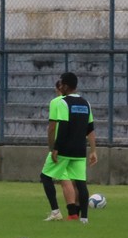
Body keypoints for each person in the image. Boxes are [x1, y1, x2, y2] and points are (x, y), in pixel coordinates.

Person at [41, 72, 97, 223]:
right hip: (80, 150)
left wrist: (55, 148)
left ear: (65, 86)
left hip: (64, 149)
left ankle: (55, 211)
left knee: (45, 176)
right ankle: (84, 218)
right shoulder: (86, 103)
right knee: (80, 182)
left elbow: (61, 126)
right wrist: (93, 150)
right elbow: (90, 128)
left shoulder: (62, 102)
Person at [42, 80, 78, 221]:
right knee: (66, 178)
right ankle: (73, 213)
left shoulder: (57, 102)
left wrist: (52, 148)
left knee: (45, 176)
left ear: (60, 89)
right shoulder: (76, 102)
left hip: (59, 146)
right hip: (74, 145)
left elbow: (52, 127)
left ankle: (55, 211)